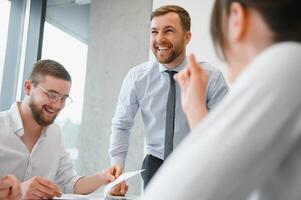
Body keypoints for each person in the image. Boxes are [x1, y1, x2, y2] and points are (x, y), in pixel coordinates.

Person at [139, 0, 301, 200]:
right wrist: (195, 109)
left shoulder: (285, 65)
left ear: (236, 18)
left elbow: (172, 194)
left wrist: (195, 108)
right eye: (154, 32)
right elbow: (234, 166)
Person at [109, 4, 229, 188]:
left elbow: (223, 129)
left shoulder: (211, 77)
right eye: (154, 32)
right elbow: (121, 124)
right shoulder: (137, 77)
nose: (159, 39)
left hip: (197, 163)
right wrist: (117, 167)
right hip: (154, 164)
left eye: (169, 31)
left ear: (187, 37)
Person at [0, 60, 127, 199]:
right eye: (52, 95)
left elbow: (68, 183)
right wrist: (17, 191)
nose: (58, 105)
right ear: (29, 88)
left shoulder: (55, 133)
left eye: (64, 98)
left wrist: (104, 177)